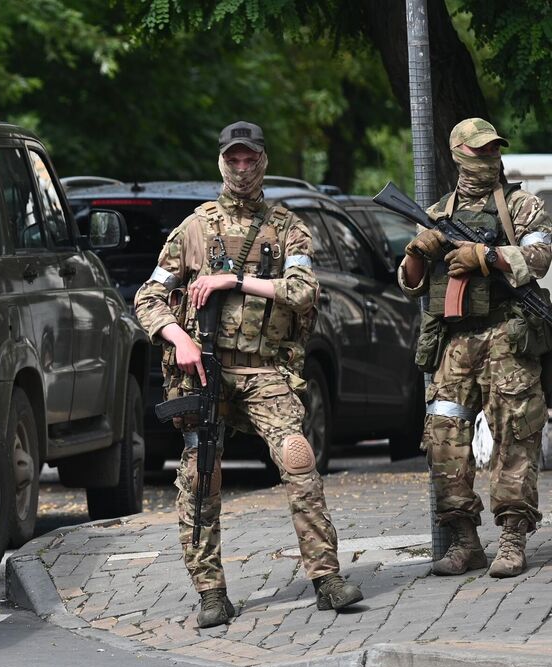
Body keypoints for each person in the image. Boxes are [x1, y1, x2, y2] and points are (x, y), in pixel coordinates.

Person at [134, 121, 362, 628]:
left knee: (298, 459)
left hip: (264, 370)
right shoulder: (194, 229)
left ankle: (326, 579)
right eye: (233, 158)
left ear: (263, 161)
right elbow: (147, 298)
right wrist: (180, 338)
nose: (242, 168)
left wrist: (235, 279)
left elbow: (304, 291)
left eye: (250, 159)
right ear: (222, 160)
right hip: (205, 375)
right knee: (201, 476)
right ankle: (211, 593)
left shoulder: (287, 228)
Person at [399, 118, 552, 579]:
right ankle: (465, 541)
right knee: (444, 437)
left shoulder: (520, 206)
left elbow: (541, 257)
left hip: (508, 333)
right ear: (457, 153)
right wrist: (416, 251)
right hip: (455, 341)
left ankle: (511, 538)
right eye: (479, 151)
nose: (488, 159)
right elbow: (409, 284)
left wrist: (486, 256)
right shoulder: (438, 212)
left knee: (515, 435)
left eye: (493, 151)